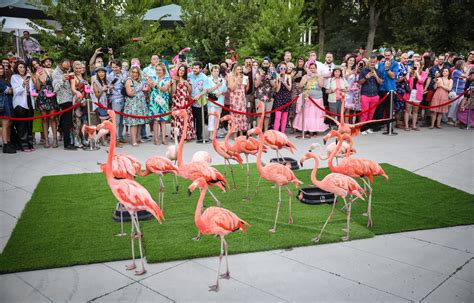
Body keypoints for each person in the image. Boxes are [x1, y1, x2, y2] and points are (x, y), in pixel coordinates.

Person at [30, 56, 59, 148]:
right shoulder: (34, 74)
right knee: (44, 119)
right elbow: (38, 88)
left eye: (37, 63)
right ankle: (46, 140)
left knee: (53, 118)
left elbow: (55, 83)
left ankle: (55, 140)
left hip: (51, 96)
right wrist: (37, 78)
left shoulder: (49, 70)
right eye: (34, 65)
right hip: (42, 97)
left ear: (40, 63)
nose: (36, 65)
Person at [293, 62, 328, 135]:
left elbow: (321, 86)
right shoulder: (305, 76)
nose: (312, 69)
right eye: (311, 68)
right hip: (307, 97)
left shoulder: (319, 76)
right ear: (308, 69)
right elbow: (300, 85)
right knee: (307, 114)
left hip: (317, 98)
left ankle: (315, 130)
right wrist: (306, 79)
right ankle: (306, 129)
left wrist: (317, 77)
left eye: (313, 68)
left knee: (315, 114)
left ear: (316, 69)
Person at [372, 49, 399, 131]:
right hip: (381, 89)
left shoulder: (395, 64)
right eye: (385, 55)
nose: (387, 57)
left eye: (388, 55)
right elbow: (378, 75)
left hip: (390, 90)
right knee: (380, 109)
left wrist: (387, 69)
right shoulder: (381, 64)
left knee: (389, 110)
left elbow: (393, 76)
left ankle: (390, 128)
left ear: (391, 55)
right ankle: (377, 126)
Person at [11, 61, 35, 152]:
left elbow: (32, 88)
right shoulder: (14, 77)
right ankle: (23, 145)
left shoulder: (28, 76)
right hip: (20, 103)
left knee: (29, 123)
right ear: (17, 68)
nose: (22, 69)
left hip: (29, 100)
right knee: (22, 125)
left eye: (24, 67)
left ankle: (30, 144)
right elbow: (16, 91)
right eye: (20, 67)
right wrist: (23, 84)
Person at [53, 58, 76, 150]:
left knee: (67, 121)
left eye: (68, 67)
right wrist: (63, 79)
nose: (67, 69)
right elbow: (55, 88)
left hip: (70, 98)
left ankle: (65, 136)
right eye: (65, 67)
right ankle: (67, 144)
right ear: (60, 64)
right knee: (67, 122)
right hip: (63, 100)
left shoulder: (66, 71)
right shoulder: (56, 73)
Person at [123, 66, 148, 146]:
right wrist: (139, 89)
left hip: (140, 104)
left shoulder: (140, 81)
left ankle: (138, 138)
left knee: (139, 122)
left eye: (136, 72)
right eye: (133, 72)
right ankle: (133, 141)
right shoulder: (129, 80)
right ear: (130, 72)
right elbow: (130, 93)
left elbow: (144, 89)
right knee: (134, 123)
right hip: (133, 105)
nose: (135, 74)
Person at [147, 62, 171, 145]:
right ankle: (156, 139)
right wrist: (149, 85)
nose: (158, 71)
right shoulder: (153, 78)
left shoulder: (167, 79)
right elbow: (149, 89)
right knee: (155, 121)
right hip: (154, 101)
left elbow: (164, 89)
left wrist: (156, 85)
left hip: (163, 101)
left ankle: (164, 139)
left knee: (163, 121)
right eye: (157, 70)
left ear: (163, 70)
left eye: (160, 70)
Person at [171, 64, 195, 141]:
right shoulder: (174, 78)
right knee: (177, 118)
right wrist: (174, 82)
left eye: (183, 71)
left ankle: (185, 136)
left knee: (185, 119)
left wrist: (188, 85)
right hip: (177, 102)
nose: (181, 72)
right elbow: (173, 92)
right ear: (178, 70)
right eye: (180, 70)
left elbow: (190, 92)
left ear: (185, 72)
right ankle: (177, 135)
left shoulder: (188, 80)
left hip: (185, 102)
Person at [358, 55, 384, 128]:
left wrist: (376, 76)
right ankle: (362, 128)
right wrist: (366, 77)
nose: (372, 63)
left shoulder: (378, 71)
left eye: (374, 62)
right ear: (368, 62)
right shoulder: (363, 71)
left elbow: (381, 82)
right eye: (371, 62)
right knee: (364, 113)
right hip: (365, 95)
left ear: (376, 62)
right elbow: (360, 82)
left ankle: (368, 127)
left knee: (371, 113)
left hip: (375, 95)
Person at [188, 61, 211, 141]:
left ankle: (199, 136)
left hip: (199, 101)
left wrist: (198, 95)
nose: (194, 70)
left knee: (199, 120)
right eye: (193, 68)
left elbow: (205, 90)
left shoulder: (204, 78)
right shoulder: (189, 75)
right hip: (190, 101)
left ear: (201, 69)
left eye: (196, 68)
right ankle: (191, 134)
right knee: (191, 118)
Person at [107, 59, 128, 145]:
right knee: (116, 121)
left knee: (122, 120)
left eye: (116, 67)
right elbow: (107, 90)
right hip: (115, 99)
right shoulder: (110, 76)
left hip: (125, 98)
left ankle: (120, 136)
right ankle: (114, 140)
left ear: (120, 66)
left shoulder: (125, 73)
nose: (115, 69)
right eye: (113, 67)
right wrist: (110, 88)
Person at [404, 61, 427, 130]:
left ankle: (414, 125)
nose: (416, 66)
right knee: (407, 110)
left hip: (418, 93)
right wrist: (408, 72)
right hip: (409, 93)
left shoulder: (423, 73)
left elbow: (421, 81)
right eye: (415, 64)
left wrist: (417, 72)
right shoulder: (410, 72)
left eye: (418, 64)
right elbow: (407, 80)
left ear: (420, 66)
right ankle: (406, 125)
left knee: (415, 111)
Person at [254, 59, 276, 132]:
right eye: (264, 63)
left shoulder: (272, 72)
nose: (265, 65)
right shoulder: (258, 71)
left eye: (267, 64)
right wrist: (260, 76)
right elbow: (256, 85)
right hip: (259, 97)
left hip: (269, 97)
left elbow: (274, 85)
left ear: (269, 64)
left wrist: (270, 78)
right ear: (262, 64)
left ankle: (266, 132)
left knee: (267, 116)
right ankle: (258, 131)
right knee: (259, 115)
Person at [207, 65, 227, 139]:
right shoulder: (208, 79)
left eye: (217, 71)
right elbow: (208, 90)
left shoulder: (222, 80)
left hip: (220, 101)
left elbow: (225, 90)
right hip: (212, 101)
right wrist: (217, 86)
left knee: (217, 117)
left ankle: (215, 132)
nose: (216, 73)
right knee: (211, 117)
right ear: (211, 72)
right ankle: (210, 133)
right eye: (214, 71)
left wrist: (220, 92)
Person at [0, 64, 16, 153]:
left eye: (1, 68)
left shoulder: (4, 79)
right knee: (5, 125)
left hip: (9, 103)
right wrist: (13, 89)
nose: (1, 70)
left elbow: (10, 90)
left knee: (9, 124)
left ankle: (8, 142)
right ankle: (5, 145)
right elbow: (8, 90)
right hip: (3, 104)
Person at [273, 62, 292, 133]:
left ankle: (282, 132)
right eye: (281, 68)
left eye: (284, 68)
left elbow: (290, 88)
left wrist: (284, 82)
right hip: (279, 97)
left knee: (284, 117)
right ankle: (275, 133)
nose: (283, 69)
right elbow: (277, 90)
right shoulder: (277, 76)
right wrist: (280, 81)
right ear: (279, 69)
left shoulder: (288, 76)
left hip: (286, 97)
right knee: (278, 117)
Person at [447, 60, 467, 125]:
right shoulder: (456, 71)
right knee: (453, 106)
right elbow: (466, 76)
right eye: (464, 65)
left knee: (458, 107)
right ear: (461, 65)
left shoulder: (461, 72)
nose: (465, 66)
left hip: (461, 92)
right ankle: (449, 119)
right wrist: (468, 70)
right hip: (455, 92)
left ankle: (455, 119)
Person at [394, 53, 409, 128]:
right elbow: (396, 80)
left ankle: (401, 122)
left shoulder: (406, 66)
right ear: (401, 58)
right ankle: (397, 123)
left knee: (403, 107)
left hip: (405, 90)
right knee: (398, 107)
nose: (406, 60)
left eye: (407, 58)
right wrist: (405, 76)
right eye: (404, 58)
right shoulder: (398, 66)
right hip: (398, 89)